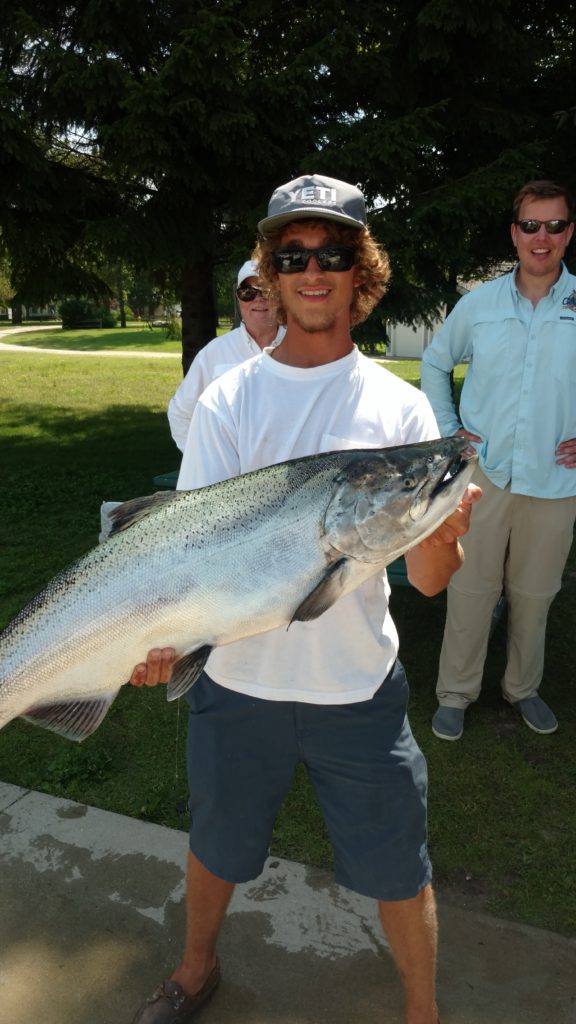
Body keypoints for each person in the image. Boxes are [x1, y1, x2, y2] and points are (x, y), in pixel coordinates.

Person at [129, 172, 481, 1024]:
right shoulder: (228, 400)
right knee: (215, 847)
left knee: (400, 867)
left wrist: (440, 535)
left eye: (332, 253)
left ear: (362, 273)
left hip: (357, 690)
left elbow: (429, 582)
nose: (312, 270)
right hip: (235, 686)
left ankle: (422, 1014)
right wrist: (153, 640)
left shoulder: (400, 411)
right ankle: (194, 970)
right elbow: (176, 549)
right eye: (293, 254)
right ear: (271, 271)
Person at [420, 179, 576, 742]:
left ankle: (522, 688)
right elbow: (435, 364)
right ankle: (455, 694)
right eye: (531, 225)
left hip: (557, 480)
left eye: (554, 225)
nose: (542, 237)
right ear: (515, 234)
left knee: (535, 594)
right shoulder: (480, 304)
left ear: (568, 233)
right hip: (482, 475)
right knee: (470, 586)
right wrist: (448, 433)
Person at [167, 260, 285, 451]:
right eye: (247, 292)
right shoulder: (214, 353)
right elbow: (180, 412)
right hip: (231, 475)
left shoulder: (300, 348)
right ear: (238, 298)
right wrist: (200, 461)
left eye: (266, 290)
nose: (258, 299)